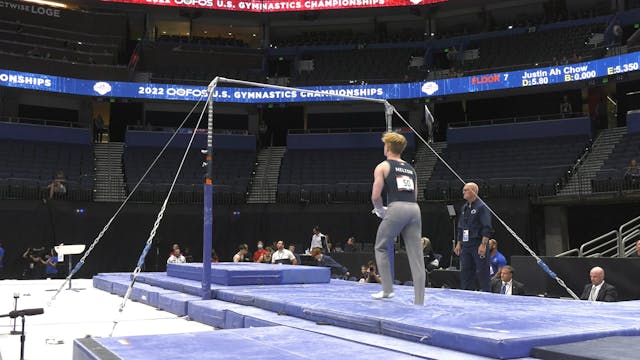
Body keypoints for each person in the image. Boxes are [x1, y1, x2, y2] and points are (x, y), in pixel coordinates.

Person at [371, 132, 425, 305]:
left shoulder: (383, 167)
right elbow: (415, 195)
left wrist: (380, 210)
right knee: (417, 256)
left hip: (397, 208)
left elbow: (375, 196)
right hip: (414, 210)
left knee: (380, 247)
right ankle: (419, 301)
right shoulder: (411, 169)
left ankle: (387, 289)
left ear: (387, 147)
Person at [454, 182, 493, 292]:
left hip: (478, 243)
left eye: (466, 190)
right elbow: (461, 227)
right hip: (466, 244)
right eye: (463, 190)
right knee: (466, 270)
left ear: (474, 192)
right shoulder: (464, 207)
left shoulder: (481, 207)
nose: (464, 192)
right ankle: (467, 292)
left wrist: (483, 244)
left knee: (482, 270)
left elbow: (487, 227)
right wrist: (459, 243)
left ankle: (486, 293)